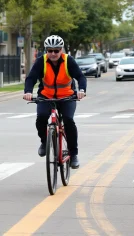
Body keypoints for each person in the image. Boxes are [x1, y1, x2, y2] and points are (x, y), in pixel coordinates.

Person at [23, 35, 87, 169]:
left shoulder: (69, 60)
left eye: (56, 51)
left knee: (69, 120)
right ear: (46, 50)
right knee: (41, 117)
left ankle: (73, 154)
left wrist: (81, 89)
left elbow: (80, 77)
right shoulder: (41, 61)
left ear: (61, 50)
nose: (53, 53)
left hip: (67, 97)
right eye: (50, 50)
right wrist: (28, 91)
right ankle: (44, 141)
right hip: (46, 97)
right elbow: (31, 78)